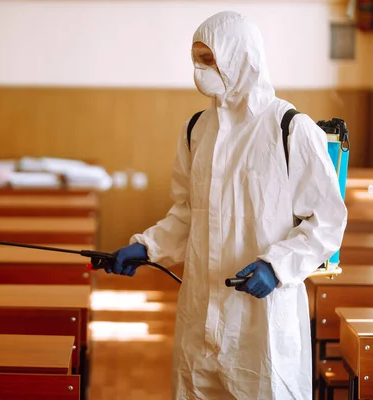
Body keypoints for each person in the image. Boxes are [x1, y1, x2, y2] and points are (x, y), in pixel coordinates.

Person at [105, 11, 348, 400]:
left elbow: (327, 222)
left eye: (208, 59)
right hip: (200, 316)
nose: (200, 71)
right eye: (196, 59)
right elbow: (188, 214)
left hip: (261, 321)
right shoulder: (197, 130)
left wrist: (277, 265)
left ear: (241, 57)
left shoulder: (289, 128)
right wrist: (148, 248)